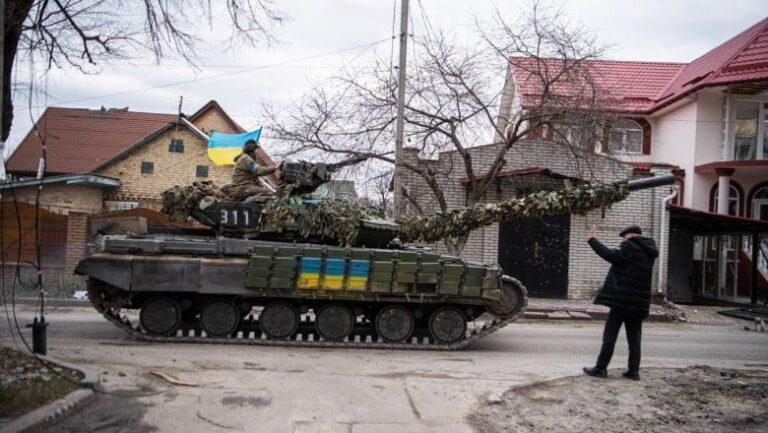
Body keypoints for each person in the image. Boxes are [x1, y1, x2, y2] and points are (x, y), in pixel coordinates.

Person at [583, 224, 658, 381]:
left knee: (610, 335)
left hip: (622, 301)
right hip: (638, 302)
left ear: (630, 235)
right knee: (634, 338)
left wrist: (592, 240)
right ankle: (633, 371)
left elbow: (610, 255)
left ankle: (601, 368)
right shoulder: (649, 251)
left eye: (624, 237)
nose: (623, 240)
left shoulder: (630, 246)